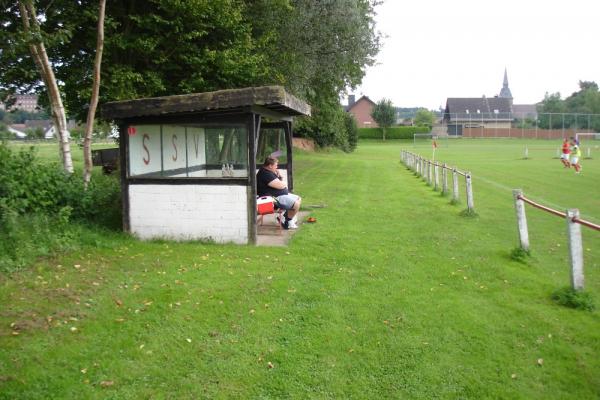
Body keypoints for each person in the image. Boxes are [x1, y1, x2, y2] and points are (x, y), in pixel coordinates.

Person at [256, 156, 302, 229]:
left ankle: (284, 218)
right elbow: (280, 185)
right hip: (273, 198)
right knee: (296, 204)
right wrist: (283, 183)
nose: (277, 167)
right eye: (276, 165)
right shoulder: (265, 174)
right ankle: (288, 221)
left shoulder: (268, 171)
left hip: (278, 195)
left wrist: (279, 176)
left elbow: (279, 183)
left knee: (298, 198)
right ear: (270, 166)